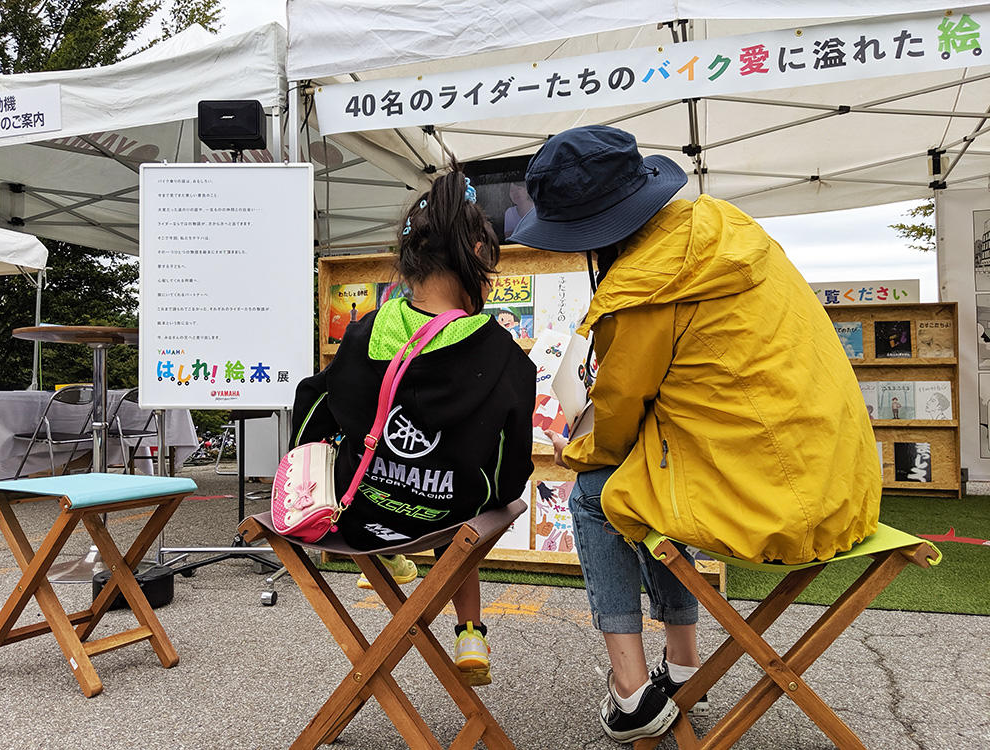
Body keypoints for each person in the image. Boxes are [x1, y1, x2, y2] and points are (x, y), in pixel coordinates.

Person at [508, 125, 881, 743]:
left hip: (778, 504)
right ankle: (682, 663)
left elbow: (615, 424)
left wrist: (571, 448)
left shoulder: (639, 288)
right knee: (639, 485)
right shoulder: (727, 227)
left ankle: (631, 694)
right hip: (842, 483)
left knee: (596, 495)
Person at [291, 167, 535, 686]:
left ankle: (390, 565)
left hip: (358, 516)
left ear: (408, 262)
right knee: (477, 499)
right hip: (448, 523)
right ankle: (470, 631)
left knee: (375, 469)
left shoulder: (362, 335)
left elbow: (314, 401)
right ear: (478, 257)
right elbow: (511, 474)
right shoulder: (503, 357)